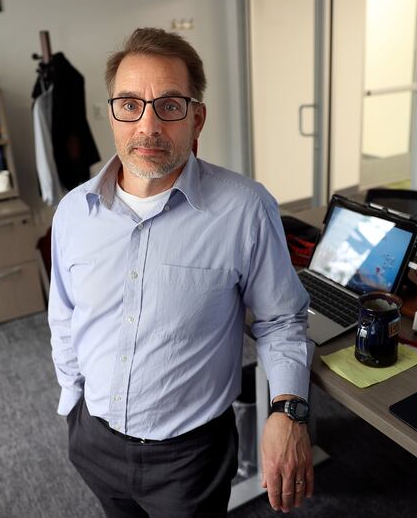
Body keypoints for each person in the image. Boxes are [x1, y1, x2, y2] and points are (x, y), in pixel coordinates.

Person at [49, 27, 315, 517]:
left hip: (188, 458)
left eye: (169, 105)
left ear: (197, 118)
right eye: (129, 104)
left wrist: (287, 411)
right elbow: (64, 317)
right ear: (111, 114)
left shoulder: (245, 209)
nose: (147, 126)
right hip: (93, 440)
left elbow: (281, 321)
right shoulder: (72, 212)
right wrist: (72, 405)